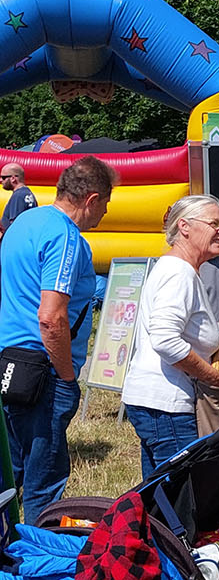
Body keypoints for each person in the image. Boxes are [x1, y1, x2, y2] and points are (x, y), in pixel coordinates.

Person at [0, 157, 114, 523]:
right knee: (44, 480)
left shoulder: (23, 223)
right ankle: (39, 547)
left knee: (10, 472)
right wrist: (66, 377)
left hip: (9, 361)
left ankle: (10, 543)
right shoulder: (66, 236)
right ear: (91, 199)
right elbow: (51, 316)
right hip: (42, 371)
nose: (105, 212)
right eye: (106, 203)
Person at [121, 195, 219, 480]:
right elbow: (165, 339)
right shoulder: (178, 273)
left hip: (155, 402)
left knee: (159, 494)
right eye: (214, 223)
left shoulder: (179, 269)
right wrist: (212, 375)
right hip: (166, 405)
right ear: (184, 226)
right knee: (181, 492)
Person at [0, 163, 38, 234]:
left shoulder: (18, 196)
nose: (1, 180)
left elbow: (15, 225)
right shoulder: (27, 193)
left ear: (13, 178)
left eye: (3, 177)